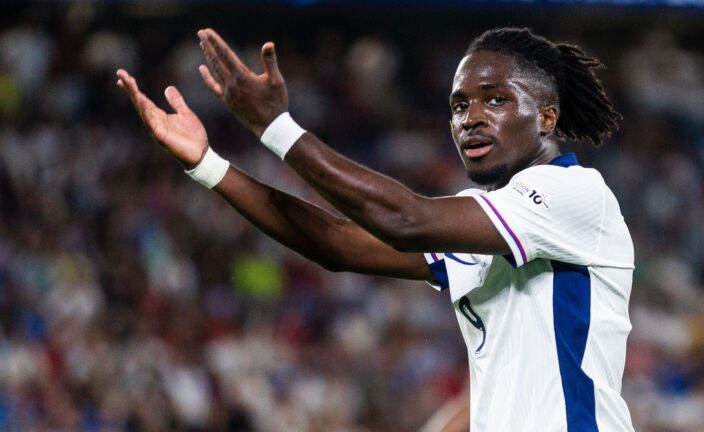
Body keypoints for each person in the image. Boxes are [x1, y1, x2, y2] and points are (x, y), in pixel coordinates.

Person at [116, 26, 634, 431]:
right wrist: (208, 165)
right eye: (459, 105)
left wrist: (275, 127)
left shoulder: (574, 194)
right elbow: (339, 245)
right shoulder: (484, 221)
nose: (471, 118)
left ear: (546, 118)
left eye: (495, 99)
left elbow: (405, 220)